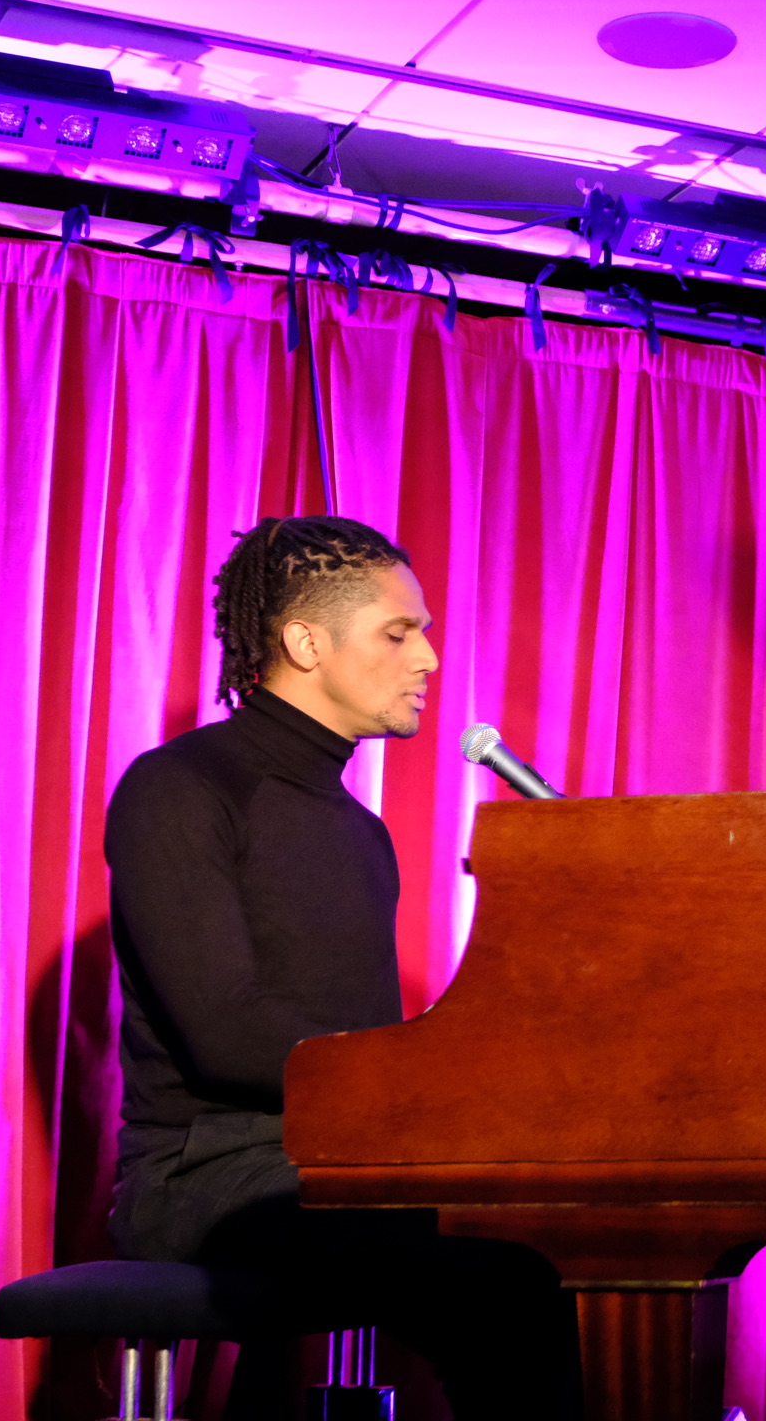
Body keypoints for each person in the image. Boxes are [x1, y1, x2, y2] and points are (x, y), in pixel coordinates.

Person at [103, 514, 579, 1418]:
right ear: (306, 643)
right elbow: (229, 1034)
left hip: (339, 1171)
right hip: (202, 1179)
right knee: (502, 1268)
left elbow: (359, 1056)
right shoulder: (179, 788)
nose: (428, 658)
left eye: (423, 632)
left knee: (561, 1240)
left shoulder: (360, 829)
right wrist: (441, 1076)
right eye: (399, 633)